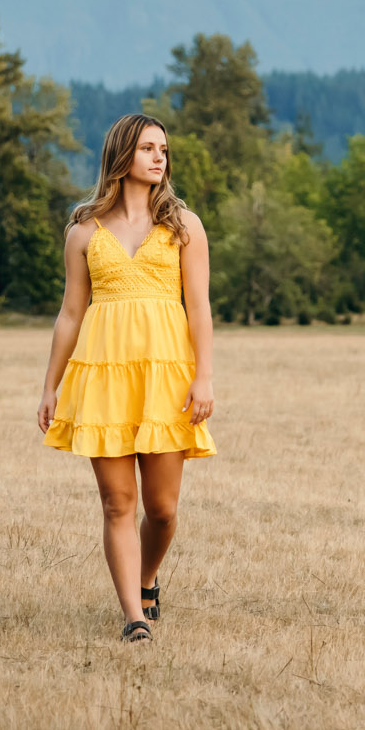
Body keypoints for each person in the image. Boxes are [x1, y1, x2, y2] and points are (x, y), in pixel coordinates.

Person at [37, 113, 217, 644]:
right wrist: (50, 385)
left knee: (161, 510)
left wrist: (204, 377)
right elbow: (71, 313)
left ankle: (145, 579)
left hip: (166, 377)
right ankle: (133, 618)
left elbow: (199, 306)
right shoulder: (83, 229)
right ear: (121, 155)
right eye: (147, 148)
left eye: (164, 149)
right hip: (104, 379)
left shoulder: (185, 226)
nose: (159, 157)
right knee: (119, 503)